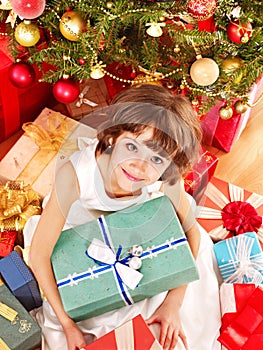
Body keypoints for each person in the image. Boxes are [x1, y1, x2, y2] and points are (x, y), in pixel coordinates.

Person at [25, 84, 221, 350]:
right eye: (131, 146)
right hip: (81, 238)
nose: (139, 166)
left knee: (171, 320)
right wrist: (68, 325)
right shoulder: (74, 174)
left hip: (137, 234)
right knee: (98, 315)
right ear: (113, 136)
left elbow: (192, 234)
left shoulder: (165, 180)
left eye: (156, 160)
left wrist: (173, 303)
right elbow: (39, 254)